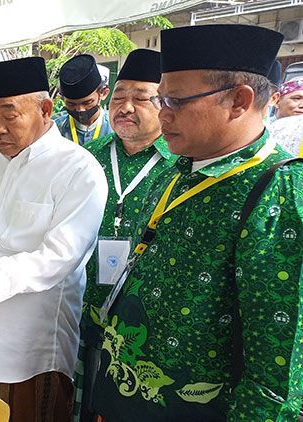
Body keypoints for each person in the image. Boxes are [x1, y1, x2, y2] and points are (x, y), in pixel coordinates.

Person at [90, 24, 303, 421]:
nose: (162, 112)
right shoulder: (181, 167)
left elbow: (276, 373)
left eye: (173, 100)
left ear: (239, 100)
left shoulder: (278, 192)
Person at [0, 56, 108, 421]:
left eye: (9, 115)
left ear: (45, 109)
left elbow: (58, 258)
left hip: (27, 355)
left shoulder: (78, 170)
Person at [74, 49, 177, 422]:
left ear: (165, 102)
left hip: (138, 324)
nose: (126, 107)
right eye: (118, 97)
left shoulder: (179, 165)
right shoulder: (86, 157)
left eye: (141, 98)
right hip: (82, 304)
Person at [53, 54, 113, 145]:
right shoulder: (54, 130)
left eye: (87, 102)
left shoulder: (116, 129)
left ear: (103, 93)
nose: (80, 110)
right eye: (71, 104)